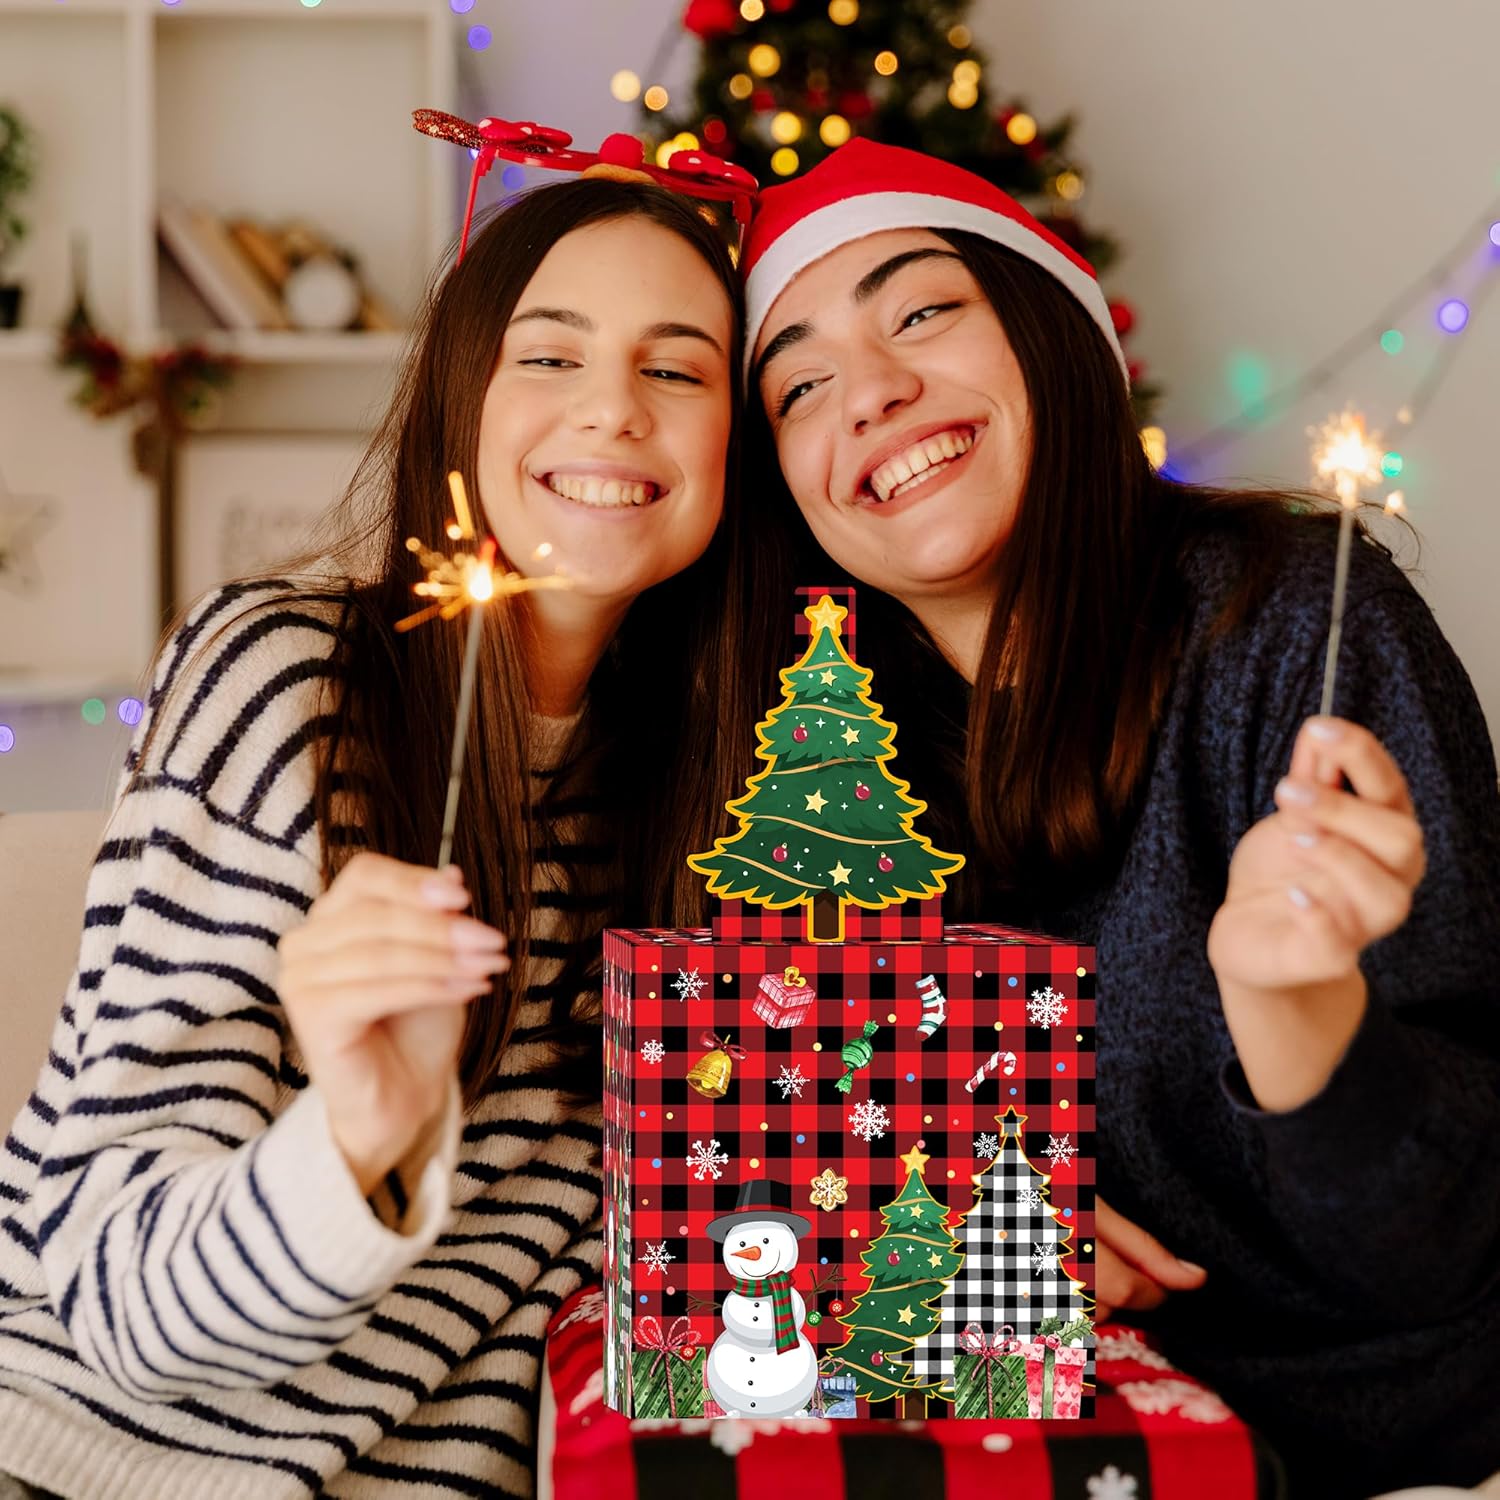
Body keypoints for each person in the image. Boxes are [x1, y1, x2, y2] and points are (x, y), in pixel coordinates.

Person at [737, 138, 1500, 1498]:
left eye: (919, 312)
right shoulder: (810, 765)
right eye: (800, 384)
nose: (874, 394)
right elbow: (759, 1127)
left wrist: (1297, 1015)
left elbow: (1442, 1247)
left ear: (1050, 333)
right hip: (1041, 1445)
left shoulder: (1296, 629)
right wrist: (955, 1213)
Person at [0, 170, 757, 1499]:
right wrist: (352, 1142)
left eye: (679, 370)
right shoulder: (285, 683)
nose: (613, 406)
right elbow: (119, 1303)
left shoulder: (740, 804)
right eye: (550, 351)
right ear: (461, 393)